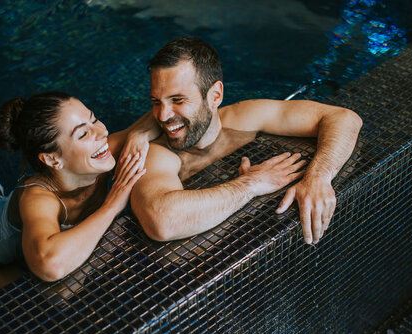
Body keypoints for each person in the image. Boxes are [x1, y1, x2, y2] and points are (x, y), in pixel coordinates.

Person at [130, 36, 363, 244]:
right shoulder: (157, 154)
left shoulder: (245, 116)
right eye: (156, 102)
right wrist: (251, 184)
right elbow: (163, 221)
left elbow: (344, 118)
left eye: (177, 100)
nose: (162, 115)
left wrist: (319, 177)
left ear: (215, 95)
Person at [0, 91, 159, 313]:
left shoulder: (99, 152)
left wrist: (138, 134)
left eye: (94, 119)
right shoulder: (37, 197)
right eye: (83, 134)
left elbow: (161, 118)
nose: (102, 132)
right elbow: (50, 265)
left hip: (26, 242)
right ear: (52, 159)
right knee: (53, 301)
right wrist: (113, 206)